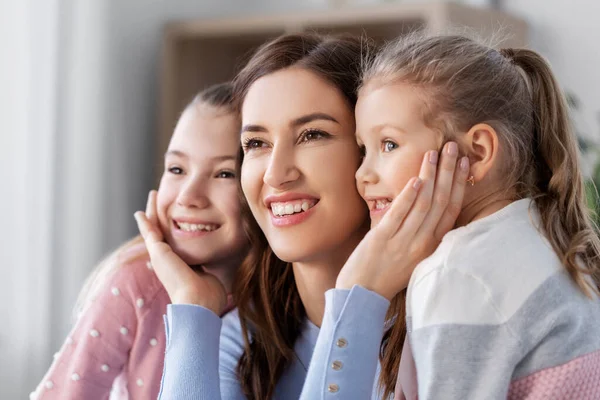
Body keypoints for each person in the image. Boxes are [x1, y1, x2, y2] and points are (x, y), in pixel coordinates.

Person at [135, 33, 468, 399]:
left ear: (371, 151)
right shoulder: (244, 341)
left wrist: (359, 299)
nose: (275, 174)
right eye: (257, 144)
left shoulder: (448, 325)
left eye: (312, 135)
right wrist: (193, 309)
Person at [305, 33, 600, 400]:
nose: (362, 174)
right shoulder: (546, 237)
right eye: (365, 149)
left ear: (476, 153)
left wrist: (353, 291)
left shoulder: (459, 274)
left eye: (389, 145)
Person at [32, 83, 249, 400]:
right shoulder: (136, 284)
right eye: (176, 168)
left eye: (224, 174)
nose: (188, 197)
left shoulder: (284, 293)